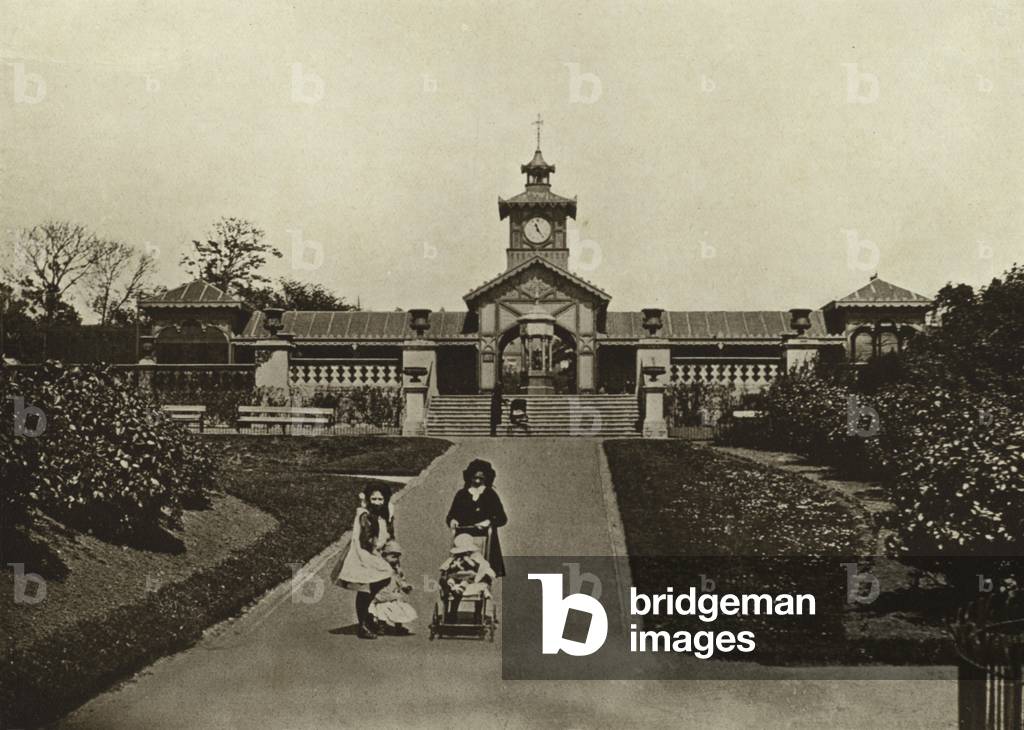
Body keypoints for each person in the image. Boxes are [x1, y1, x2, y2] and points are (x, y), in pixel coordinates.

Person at [335, 484, 395, 639]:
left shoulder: (383, 514)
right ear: (368, 499)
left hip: (373, 553)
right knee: (366, 589)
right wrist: (375, 550)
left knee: (378, 583)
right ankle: (362, 624)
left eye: (380, 499)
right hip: (363, 553)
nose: (376, 502)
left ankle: (367, 617)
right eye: (373, 498)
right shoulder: (365, 515)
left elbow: (387, 532)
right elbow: (366, 537)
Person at [445, 458, 508, 577]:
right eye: (475, 478)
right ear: (470, 477)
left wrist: (489, 521)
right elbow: (451, 515)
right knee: (461, 568)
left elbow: (502, 518)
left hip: (484, 538)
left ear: (486, 479)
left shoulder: (490, 494)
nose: (477, 481)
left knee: (483, 570)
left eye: (481, 478)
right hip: (463, 537)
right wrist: (452, 520)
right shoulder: (462, 494)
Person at [439, 533, 496, 620]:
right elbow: (446, 566)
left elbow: (481, 567)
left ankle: (477, 614)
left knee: (469, 579)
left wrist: (469, 561)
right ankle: (452, 611)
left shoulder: (476, 556)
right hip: (457, 576)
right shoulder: (455, 557)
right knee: (450, 579)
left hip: (470, 576)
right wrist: (454, 565)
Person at [369, 540, 417, 635]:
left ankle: (398, 627)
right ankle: (381, 626)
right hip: (382, 595)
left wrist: (405, 586)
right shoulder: (381, 568)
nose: (396, 560)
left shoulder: (396, 570)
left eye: (397, 557)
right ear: (384, 556)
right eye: (393, 557)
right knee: (381, 610)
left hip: (394, 595)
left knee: (399, 610)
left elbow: (400, 580)